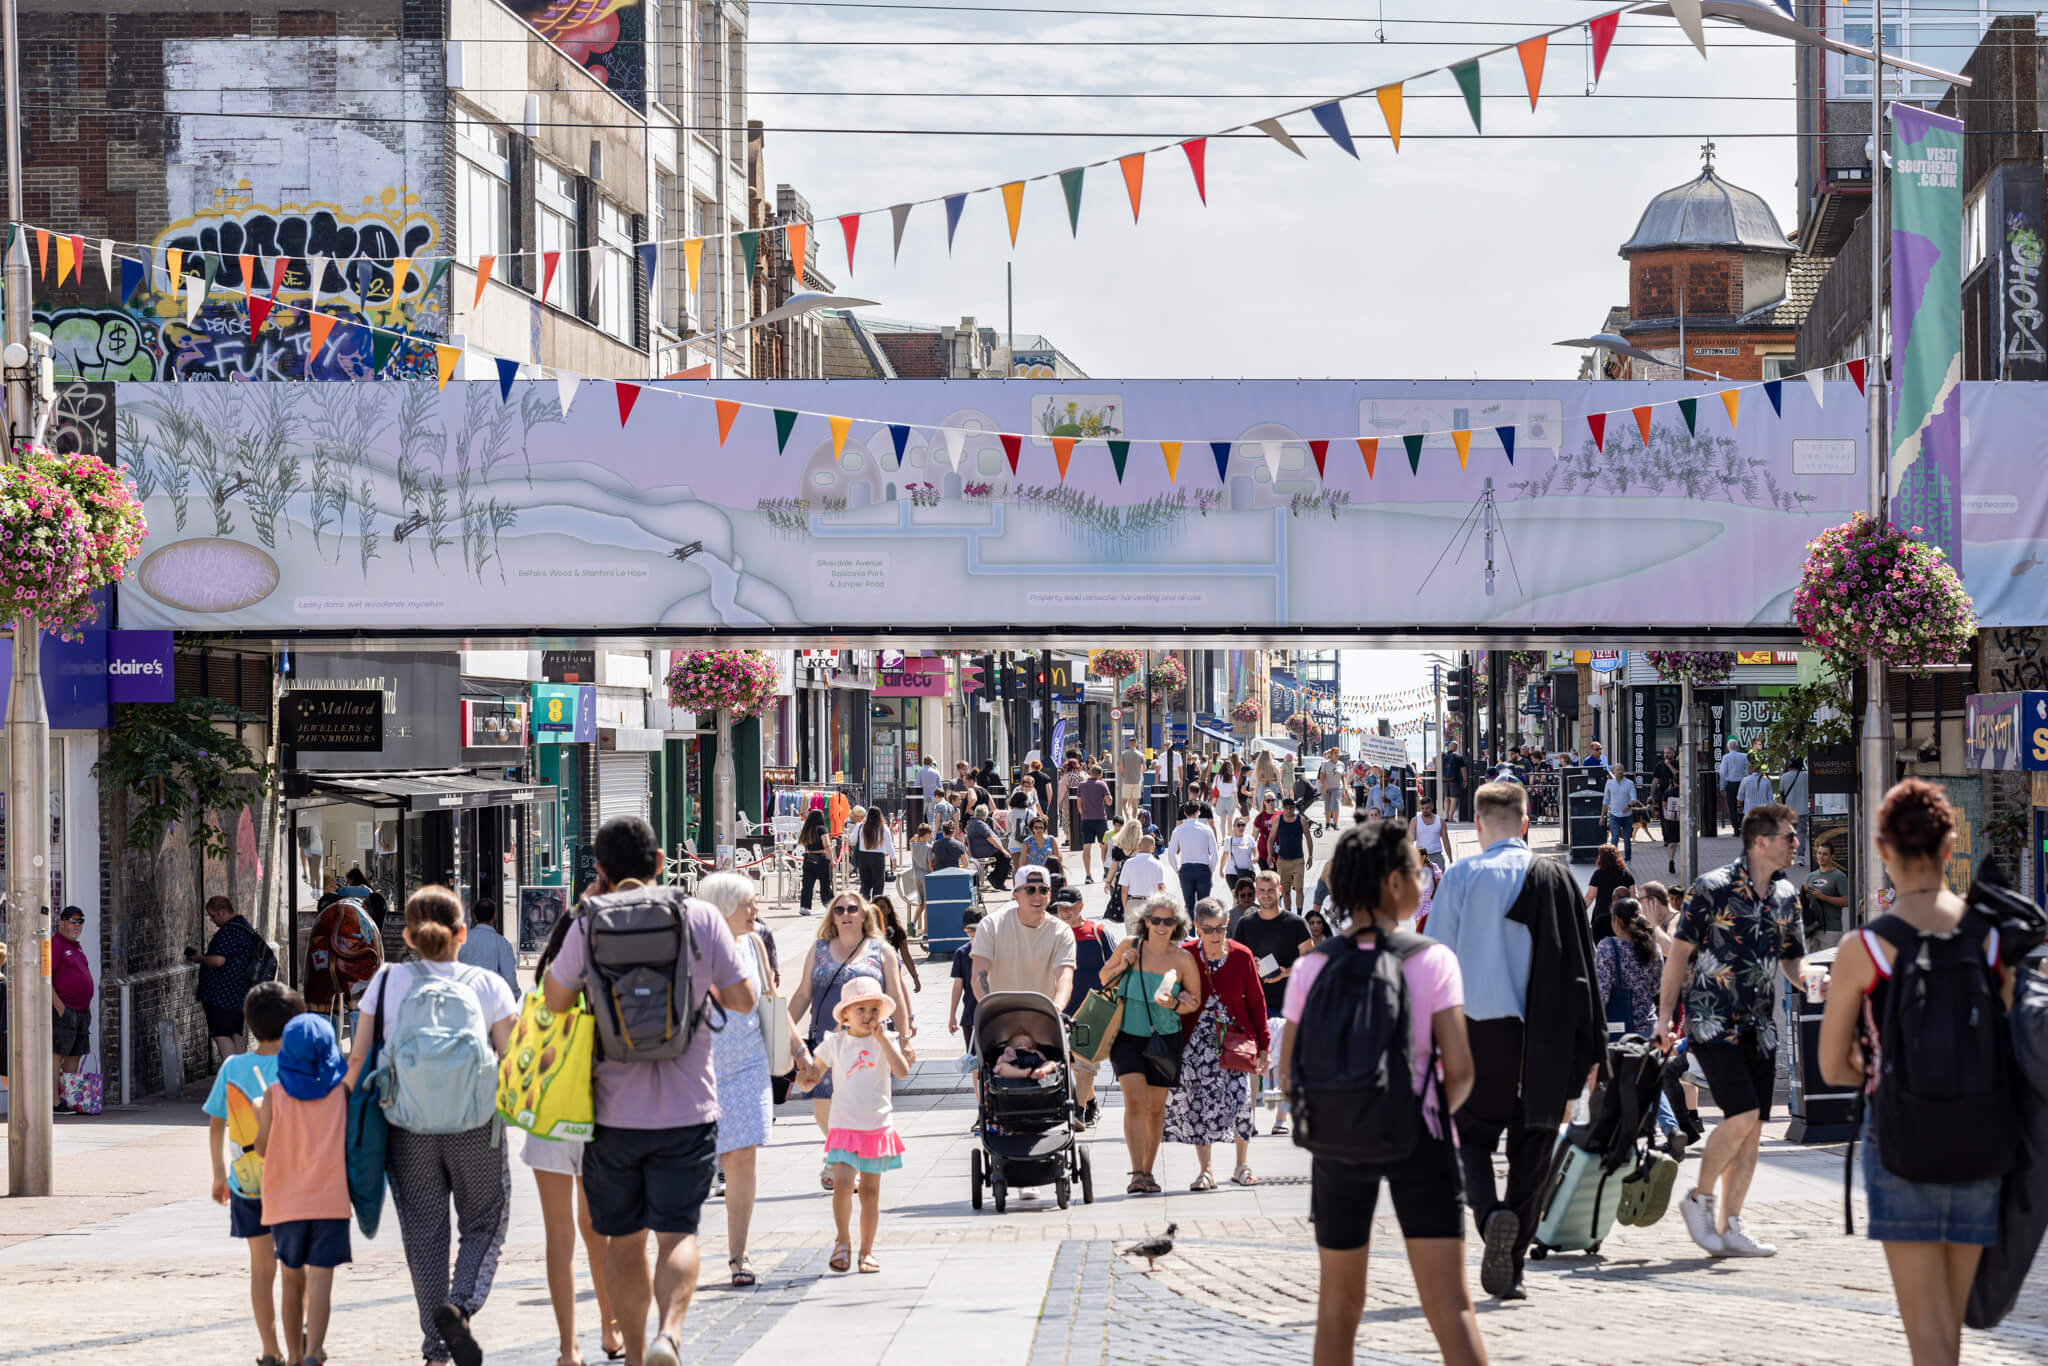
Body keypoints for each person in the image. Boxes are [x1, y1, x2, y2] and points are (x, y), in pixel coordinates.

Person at [542, 817, 755, 1366]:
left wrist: (583, 912)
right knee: (678, 1234)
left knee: (624, 1240)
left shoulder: (589, 922)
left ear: (602, 872)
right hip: (688, 1110)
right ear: (660, 862)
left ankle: (635, 1356)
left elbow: (555, 1001)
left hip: (612, 1115)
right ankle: (671, 1335)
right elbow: (745, 1000)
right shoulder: (699, 916)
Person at [1278, 818, 1487, 1366]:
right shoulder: (1431, 958)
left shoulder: (1312, 966)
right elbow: (1460, 1069)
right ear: (1394, 883)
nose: (1423, 881)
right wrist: (1427, 1111)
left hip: (1337, 1138)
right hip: (1420, 1131)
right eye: (1417, 871)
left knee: (1337, 1307)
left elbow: (1286, 1074)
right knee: (1450, 1306)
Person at [1819, 779, 2010, 1366]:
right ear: (1950, 846)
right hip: (1981, 1135)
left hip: (1901, 1135)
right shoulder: (1989, 937)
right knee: (1947, 1326)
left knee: (1926, 1336)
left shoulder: (1866, 946)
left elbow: (1831, 1067)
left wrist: (1877, 1069)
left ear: (1881, 850)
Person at [1422, 779, 1604, 1301]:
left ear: (1477, 825)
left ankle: (1489, 1216)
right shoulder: (1557, 877)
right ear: (1526, 823)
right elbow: (1583, 966)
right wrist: (1591, 1051)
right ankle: (1515, 1261)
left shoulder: (1459, 877)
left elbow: (1436, 964)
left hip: (1478, 1031)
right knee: (1535, 1143)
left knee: (1470, 1136)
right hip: (1545, 1032)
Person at [343, 886, 519, 1366]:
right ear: (462, 933)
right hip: (475, 1126)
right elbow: (515, 1059)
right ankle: (459, 1306)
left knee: (424, 1235)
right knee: (485, 1222)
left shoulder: (386, 981)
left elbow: (357, 1059)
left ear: (409, 935)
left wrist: (341, 1111)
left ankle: (435, 1347)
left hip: (406, 1126)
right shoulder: (487, 985)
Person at [1656, 801, 1807, 1260]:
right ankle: (1699, 1200)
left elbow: (1792, 959)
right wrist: (1664, 1018)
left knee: (1754, 1128)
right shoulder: (1712, 888)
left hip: (1760, 1026)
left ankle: (1730, 1225)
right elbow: (1679, 954)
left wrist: (1821, 983)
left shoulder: (1785, 896)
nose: (1796, 843)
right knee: (1741, 1114)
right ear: (1761, 842)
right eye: (1789, 836)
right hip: (1711, 1019)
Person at [520, 913, 623, 1365]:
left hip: (549, 1117)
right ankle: (609, 1326)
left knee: (558, 1237)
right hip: (598, 1116)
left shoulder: (546, 991)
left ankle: (568, 1347)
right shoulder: (606, 988)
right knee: (597, 1229)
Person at [204, 980, 304, 1366]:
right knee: (297, 1270)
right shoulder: (300, 1067)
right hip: (296, 1181)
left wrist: (217, 1174)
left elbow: (216, 1124)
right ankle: (299, 1350)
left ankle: (269, 1350)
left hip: (247, 1181)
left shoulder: (234, 1066)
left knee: (261, 1270)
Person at [788, 894, 917, 1184]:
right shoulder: (819, 949)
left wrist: (905, 1039)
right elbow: (803, 994)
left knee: (859, 1101)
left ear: (863, 915)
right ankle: (840, 1152)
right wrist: (784, 1031)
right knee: (822, 1104)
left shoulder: (881, 950)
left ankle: (843, 1158)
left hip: (868, 1042)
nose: (846, 914)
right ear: (832, 917)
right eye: (839, 909)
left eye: (852, 909)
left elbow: (895, 995)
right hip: (825, 1039)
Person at [695, 872, 779, 1291]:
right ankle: (677, 1249)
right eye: (747, 904)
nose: (756, 911)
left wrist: (796, 1053)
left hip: (748, 1064)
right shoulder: (691, 950)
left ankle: (738, 1253)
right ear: (723, 907)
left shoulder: (756, 941)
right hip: (698, 1070)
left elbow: (769, 1003)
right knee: (694, 1167)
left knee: (742, 1158)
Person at [794, 978, 910, 1275]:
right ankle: (842, 1241)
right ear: (845, 1015)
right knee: (843, 1185)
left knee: (870, 1192)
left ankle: (867, 1251)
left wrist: (885, 1040)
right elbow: (814, 1075)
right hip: (844, 1126)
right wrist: (804, 1076)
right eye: (861, 1009)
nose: (869, 1015)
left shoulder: (886, 1041)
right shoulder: (835, 1043)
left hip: (876, 1126)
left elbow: (901, 1071)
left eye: (874, 1009)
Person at [256, 1013, 353, 1366]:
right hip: (330, 1200)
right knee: (322, 1279)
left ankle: (295, 1354)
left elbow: (263, 1147)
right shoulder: (340, 1095)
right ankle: (315, 1351)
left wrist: (259, 1117)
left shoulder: (274, 1095)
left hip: (285, 1202)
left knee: (290, 1278)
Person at [1098, 894, 1203, 1194]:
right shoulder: (1129, 945)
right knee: (1135, 1101)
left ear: (1176, 925)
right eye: (1155, 920)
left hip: (1165, 1038)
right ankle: (1136, 1173)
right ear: (1145, 921)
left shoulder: (1183, 959)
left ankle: (1148, 1171)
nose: (1160, 926)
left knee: (1156, 1109)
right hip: (1127, 1036)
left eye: (1167, 921)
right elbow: (1104, 977)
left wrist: (1175, 1004)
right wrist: (1123, 967)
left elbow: (1192, 1003)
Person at [1166, 898, 1269, 1190]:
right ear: (1196, 927)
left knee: (1240, 1102)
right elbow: (1165, 992)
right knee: (1199, 1104)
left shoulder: (1241, 955)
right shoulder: (1184, 954)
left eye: (1221, 928)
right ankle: (1206, 1170)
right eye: (1208, 929)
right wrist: (1176, 1000)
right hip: (1196, 1042)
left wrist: (1264, 1045)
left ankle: (1241, 1165)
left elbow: (1257, 1001)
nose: (1215, 935)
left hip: (1235, 1040)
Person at [1232, 869, 1314, 1135]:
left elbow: (1310, 961)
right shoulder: (1246, 925)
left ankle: (1280, 1118)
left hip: (1288, 1002)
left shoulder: (1296, 923)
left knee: (1282, 1064)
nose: (1266, 895)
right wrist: (1251, 967)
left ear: (1281, 891)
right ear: (1256, 893)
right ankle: (1251, 1119)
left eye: (1271, 890)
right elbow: (1235, 959)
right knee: (1254, 1063)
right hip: (1255, 1003)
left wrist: (1286, 972)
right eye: (1262, 891)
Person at [970, 866, 1077, 1010]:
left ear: (1050, 895)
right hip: (1000, 1016)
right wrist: (989, 1007)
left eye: (1043, 890)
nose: (1037, 896)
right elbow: (979, 974)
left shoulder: (1062, 931)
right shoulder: (991, 926)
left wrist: (1058, 1006)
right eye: (1030, 890)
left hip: (1043, 1017)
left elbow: (1064, 975)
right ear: (1016, 895)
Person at [1053, 886, 1116, 1127]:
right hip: (1064, 1009)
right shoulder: (1056, 936)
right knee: (1073, 1065)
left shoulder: (1098, 932)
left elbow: (1115, 965)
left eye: (1069, 908)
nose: (1064, 912)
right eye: (1060, 908)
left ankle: (1077, 1112)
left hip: (1094, 1010)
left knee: (1086, 1064)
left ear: (1080, 907)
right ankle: (1090, 1104)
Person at [189, 895, 262, 1062]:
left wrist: (200, 958)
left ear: (222, 912)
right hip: (239, 992)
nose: (212, 920)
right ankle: (242, 1078)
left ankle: (232, 1079)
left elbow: (218, 960)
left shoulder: (228, 931)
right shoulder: (244, 926)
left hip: (222, 994)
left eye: (213, 915)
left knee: (221, 1035)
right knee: (236, 1034)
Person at [51, 905, 93, 1113]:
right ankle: (53, 1101)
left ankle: (69, 1098)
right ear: (62, 923)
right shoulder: (56, 944)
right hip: (65, 1011)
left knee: (75, 1054)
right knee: (56, 1055)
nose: (77, 925)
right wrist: (60, 1008)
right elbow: (46, 978)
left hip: (81, 1011)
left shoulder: (76, 946)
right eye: (73, 921)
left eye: (80, 921)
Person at [456, 897, 521, 998]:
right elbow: (509, 977)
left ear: (474, 916)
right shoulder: (502, 943)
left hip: (464, 999)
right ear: (494, 916)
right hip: (491, 1001)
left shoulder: (461, 940)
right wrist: (516, 997)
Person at [1166, 801, 1220, 912]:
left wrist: (1177, 869)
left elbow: (1171, 854)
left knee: (1189, 905)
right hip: (1203, 868)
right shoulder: (1206, 829)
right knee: (1204, 907)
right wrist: (1211, 869)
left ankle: (1191, 930)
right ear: (1198, 812)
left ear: (1185, 813)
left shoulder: (1178, 830)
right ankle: (1203, 929)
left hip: (1186, 868)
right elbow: (1215, 853)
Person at [1803, 839, 1850, 951]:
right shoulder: (1810, 876)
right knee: (1812, 966)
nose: (1821, 856)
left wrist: (1823, 897)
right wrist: (1804, 894)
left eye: (1825, 854)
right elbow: (1805, 902)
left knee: (1828, 967)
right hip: (1812, 929)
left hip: (1831, 929)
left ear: (1832, 857)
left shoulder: (1839, 876)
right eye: (1819, 853)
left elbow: (1847, 901)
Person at [1271, 798, 1315, 915]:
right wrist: (1270, 855)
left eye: (1291, 808)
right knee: (1285, 891)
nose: (1289, 811)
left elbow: (1309, 838)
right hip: (1283, 860)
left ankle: (1299, 914)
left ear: (1294, 808)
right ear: (1283, 809)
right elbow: (1271, 838)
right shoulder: (1277, 821)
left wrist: (1310, 857)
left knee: (1299, 889)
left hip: (1298, 860)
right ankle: (1289, 914)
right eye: (1286, 808)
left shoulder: (1301, 821)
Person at [872, 894, 923, 995]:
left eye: (882, 906)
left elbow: (906, 955)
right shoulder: (866, 932)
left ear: (889, 910)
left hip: (892, 977)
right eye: (876, 906)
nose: (879, 909)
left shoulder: (897, 932)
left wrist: (915, 977)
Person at [1585, 843, 1635, 942]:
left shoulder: (1598, 874)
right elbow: (1633, 896)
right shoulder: (1626, 873)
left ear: (1601, 858)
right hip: (1622, 917)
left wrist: (1579, 911)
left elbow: (1590, 897)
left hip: (1601, 916)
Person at [1111, 835, 1169, 920]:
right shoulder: (1158, 865)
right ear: (1153, 848)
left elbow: (1124, 890)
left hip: (1133, 903)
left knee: (1133, 933)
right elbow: (1160, 887)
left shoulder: (1128, 863)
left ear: (1139, 846)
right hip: (1151, 903)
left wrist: (1126, 908)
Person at [1075, 764, 1113, 883]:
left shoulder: (1082, 785)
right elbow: (1109, 802)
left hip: (1086, 819)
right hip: (1100, 819)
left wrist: (1083, 814)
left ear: (1090, 773)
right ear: (1100, 774)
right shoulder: (1102, 784)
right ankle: (1106, 872)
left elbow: (1079, 804)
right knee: (1104, 846)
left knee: (1086, 847)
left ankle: (1088, 875)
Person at [965, 805, 1013, 891]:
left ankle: (995, 877)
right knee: (1006, 856)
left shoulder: (973, 823)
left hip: (981, 850)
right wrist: (1002, 849)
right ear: (985, 815)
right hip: (983, 851)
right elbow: (990, 838)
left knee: (1003, 856)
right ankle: (996, 880)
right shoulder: (979, 824)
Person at [797, 809, 834, 916]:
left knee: (807, 884)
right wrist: (832, 860)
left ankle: (804, 907)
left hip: (808, 858)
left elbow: (802, 842)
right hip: (821, 858)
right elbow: (827, 845)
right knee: (825, 883)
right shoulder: (822, 829)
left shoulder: (806, 830)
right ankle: (829, 904)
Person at [853, 806, 891, 902]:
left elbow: (852, 840)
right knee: (878, 884)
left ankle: (864, 906)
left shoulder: (860, 826)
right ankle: (876, 906)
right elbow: (889, 844)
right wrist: (893, 859)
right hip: (878, 857)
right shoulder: (883, 828)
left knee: (865, 884)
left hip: (863, 856)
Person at [1602, 763, 1639, 860]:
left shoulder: (1629, 783)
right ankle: (1613, 859)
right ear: (1614, 771)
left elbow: (1634, 798)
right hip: (1614, 815)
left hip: (1627, 816)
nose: (1620, 772)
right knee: (1614, 837)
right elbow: (1606, 800)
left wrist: (1628, 805)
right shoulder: (1609, 783)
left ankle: (1627, 859)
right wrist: (1602, 816)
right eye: (1618, 770)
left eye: (1621, 770)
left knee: (1627, 839)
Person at [1717, 738, 1750, 837]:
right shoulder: (1744, 756)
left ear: (1728, 748)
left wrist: (1722, 786)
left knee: (1732, 807)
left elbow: (1723, 773)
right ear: (1737, 747)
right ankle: (1743, 825)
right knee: (1743, 805)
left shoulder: (1726, 758)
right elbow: (1747, 770)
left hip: (1731, 784)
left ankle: (1736, 829)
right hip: (1742, 783)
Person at [905, 822, 933, 931]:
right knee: (927, 905)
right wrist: (934, 874)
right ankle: (926, 932)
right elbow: (930, 865)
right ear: (926, 835)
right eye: (929, 835)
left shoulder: (913, 846)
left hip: (916, 877)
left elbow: (911, 841)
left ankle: (912, 923)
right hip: (926, 877)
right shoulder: (928, 848)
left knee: (921, 903)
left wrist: (915, 838)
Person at [1413, 797, 1448, 871]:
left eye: (1427, 808)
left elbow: (1446, 840)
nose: (1424, 810)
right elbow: (1410, 839)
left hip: (1436, 855)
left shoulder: (1440, 821)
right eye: (1422, 808)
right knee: (1422, 881)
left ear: (1432, 807)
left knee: (1439, 880)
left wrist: (1450, 859)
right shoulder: (1415, 821)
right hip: (1421, 856)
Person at [1117, 740, 1148, 821]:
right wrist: (1139, 774)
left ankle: (1127, 817)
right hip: (1137, 782)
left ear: (1129, 744)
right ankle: (1134, 820)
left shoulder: (1124, 754)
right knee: (1135, 804)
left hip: (1127, 781)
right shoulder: (1141, 755)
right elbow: (1144, 768)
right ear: (1136, 744)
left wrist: (1123, 775)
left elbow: (1120, 766)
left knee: (1124, 803)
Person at [1317, 748, 1344, 827]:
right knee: (1327, 805)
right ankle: (1328, 823)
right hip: (1327, 787)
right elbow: (1321, 777)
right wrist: (1324, 787)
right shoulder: (1325, 764)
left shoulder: (1341, 764)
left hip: (1337, 787)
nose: (1337, 754)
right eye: (1335, 753)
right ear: (1331, 754)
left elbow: (1342, 776)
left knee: (1335, 803)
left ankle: (1335, 824)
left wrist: (1345, 787)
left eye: (1338, 753)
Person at [1440, 744, 1467, 823]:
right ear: (1456, 748)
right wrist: (1465, 780)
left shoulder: (1443, 755)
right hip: (1455, 780)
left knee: (1446, 798)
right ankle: (1451, 817)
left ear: (1449, 747)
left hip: (1444, 780)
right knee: (1454, 798)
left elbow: (1436, 763)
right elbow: (1463, 768)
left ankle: (1446, 816)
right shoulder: (1458, 756)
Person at [1661, 782, 1682, 876]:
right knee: (1684, 843)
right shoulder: (1685, 791)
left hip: (1670, 820)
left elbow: (1664, 806)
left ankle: (1671, 860)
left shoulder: (1668, 792)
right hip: (1683, 820)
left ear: (1673, 782)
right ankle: (1686, 863)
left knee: (1672, 843)